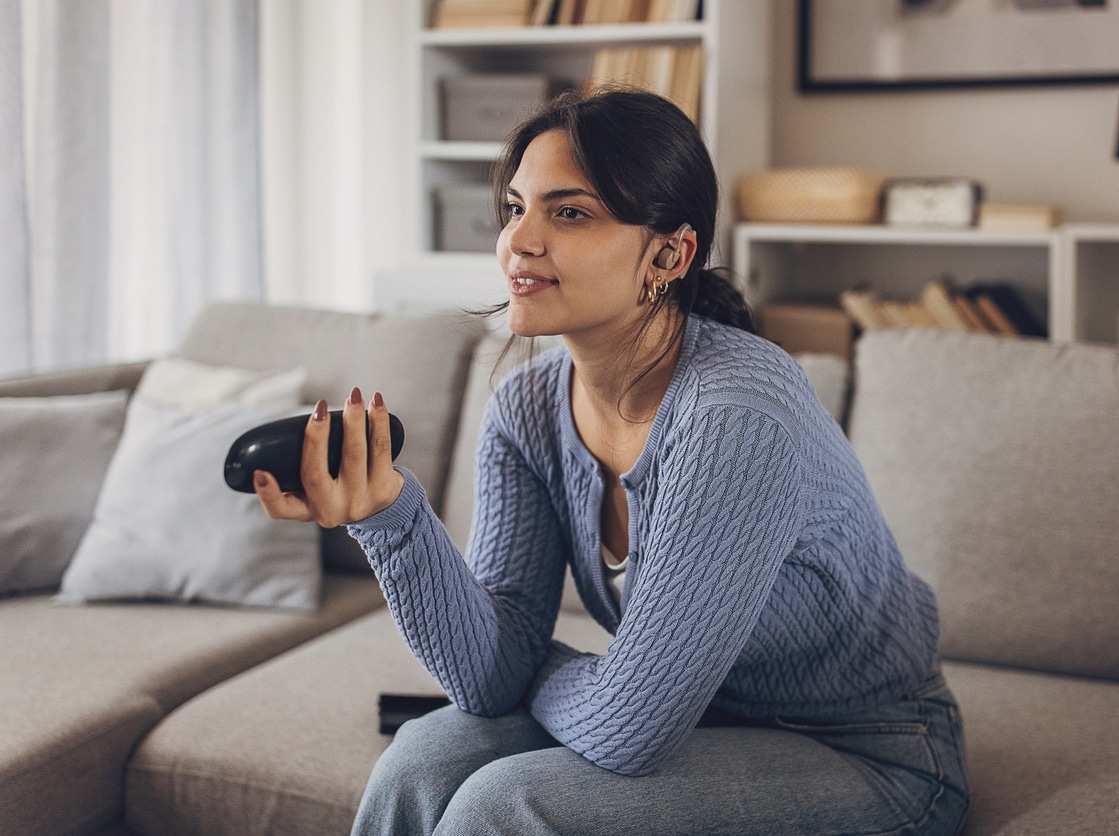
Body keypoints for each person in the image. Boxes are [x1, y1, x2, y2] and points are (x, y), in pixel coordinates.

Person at [254, 87, 970, 835]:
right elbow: (486, 678)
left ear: (668, 252)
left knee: (505, 807)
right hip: (707, 718)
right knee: (423, 756)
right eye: (513, 207)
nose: (518, 241)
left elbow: (628, 728)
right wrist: (388, 516)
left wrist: (577, 678)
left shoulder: (735, 415)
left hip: (872, 752)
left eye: (568, 213)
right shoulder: (525, 409)